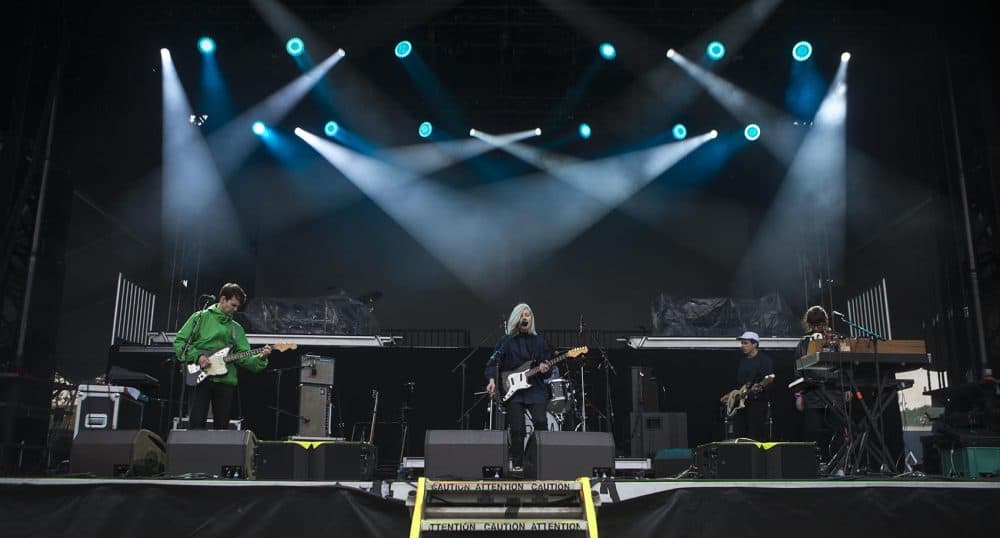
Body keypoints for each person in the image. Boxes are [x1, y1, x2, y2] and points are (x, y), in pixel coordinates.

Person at [173, 283, 272, 429]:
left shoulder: (236, 329)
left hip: (225, 381)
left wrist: (261, 358)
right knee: (196, 421)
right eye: (233, 305)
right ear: (223, 299)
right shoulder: (200, 317)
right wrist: (198, 357)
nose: (235, 309)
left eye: (237, 306)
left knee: (222, 425)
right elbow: (180, 342)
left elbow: (243, 357)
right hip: (200, 378)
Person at [485, 303, 553, 472]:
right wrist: (492, 380)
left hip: (535, 388)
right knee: (518, 429)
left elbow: (546, 370)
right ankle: (517, 464)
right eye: (522, 315)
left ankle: (536, 460)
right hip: (513, 391)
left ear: (532, 319)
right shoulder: (506, 341)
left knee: (541, 422)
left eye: (528, 315)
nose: (525, 318)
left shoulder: (539, 341)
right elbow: (492, 363)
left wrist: (545, 369)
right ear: (516, 318)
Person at [794, 305, 850, 462]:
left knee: (839, 430)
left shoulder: (838, 339)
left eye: (821, 324)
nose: (818, 328)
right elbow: (798, 371)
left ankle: (839, 465)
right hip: (813, 393)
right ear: (809, 325)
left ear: (826, 322)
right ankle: (817, 464)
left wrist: (847, 387)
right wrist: (799, 395)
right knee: (814, 431)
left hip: (835, 393)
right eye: (814, 325)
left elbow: (846, 365)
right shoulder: (803, 343)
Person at [720, 331, 774, 441]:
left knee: (755, 435)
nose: (742, 346)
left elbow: (769, 378)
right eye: (742, 343)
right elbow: (740, 384)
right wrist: (730, 395)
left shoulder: (764, 360)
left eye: (745, 343)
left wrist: (759, 387)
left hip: (757, 403)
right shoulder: (742, 361)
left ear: (754, 344)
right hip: (741, 404)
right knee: (739, 434)